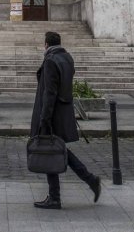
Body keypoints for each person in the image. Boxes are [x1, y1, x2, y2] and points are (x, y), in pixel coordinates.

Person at [29, 31, 102, 209]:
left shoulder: (50, 61)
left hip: (52, 114)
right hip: (63, 112)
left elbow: (50, 92)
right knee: (59, 151)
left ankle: (55, 197)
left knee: (49, 150)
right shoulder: (67, 58)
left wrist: (44, 119)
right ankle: (91, 180)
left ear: (46, 44)